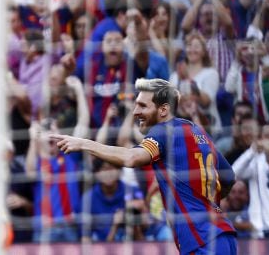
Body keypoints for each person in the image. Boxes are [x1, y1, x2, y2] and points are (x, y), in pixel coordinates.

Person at [51, 78, 237, 254]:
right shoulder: (198, 132)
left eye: (142, 106)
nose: (135, 112)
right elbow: (228, 177)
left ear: (163, 110)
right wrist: (205, 200)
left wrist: (84, 144)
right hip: (222, 234)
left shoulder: (163, 130)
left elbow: (132, 158)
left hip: (202, 239)